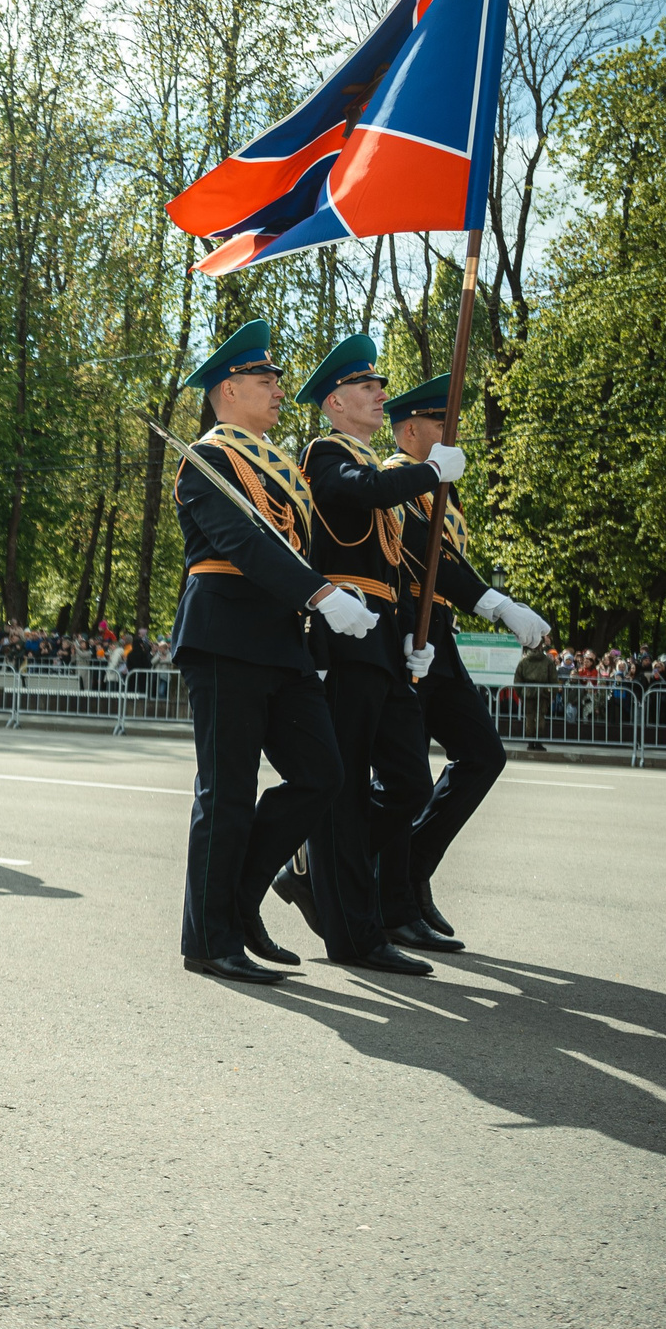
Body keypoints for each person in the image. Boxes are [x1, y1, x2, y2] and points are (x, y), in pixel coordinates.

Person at [168, 320, 377, 986]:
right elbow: (243, 544)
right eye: (265, 380)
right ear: (229, 390)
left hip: (282, 642)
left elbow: (296, 546)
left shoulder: (279, 465)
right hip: (226, 633)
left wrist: (316, 617)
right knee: (226, 794)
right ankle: (209, 937)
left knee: (322, 773)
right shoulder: (207, 459)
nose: (279, 388)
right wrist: (320, 595)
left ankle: (242, 900)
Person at [266, 334, 450, 978]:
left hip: (379, 634)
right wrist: (427, 471)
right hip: (343, 634)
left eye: (378, 386)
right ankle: (353, 933)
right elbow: (360, 493)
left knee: (408, 781)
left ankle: (311, 865)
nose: (380, 394)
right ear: (335, 403)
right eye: (367, 388)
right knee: (344, 792)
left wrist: (409, 633)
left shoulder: (368, 461)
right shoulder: (325, 454)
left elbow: (399, 565)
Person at [381, 373, 553, 944]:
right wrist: (500, 605)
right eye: (439, 425)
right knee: (400, 776)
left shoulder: (441, 493)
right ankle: (380, 891)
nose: (451, 436)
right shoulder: (393, 480)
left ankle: (411, 871)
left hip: (439, 639)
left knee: (481, 754)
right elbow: (418, 561)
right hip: (405, 637)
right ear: (410, 431)